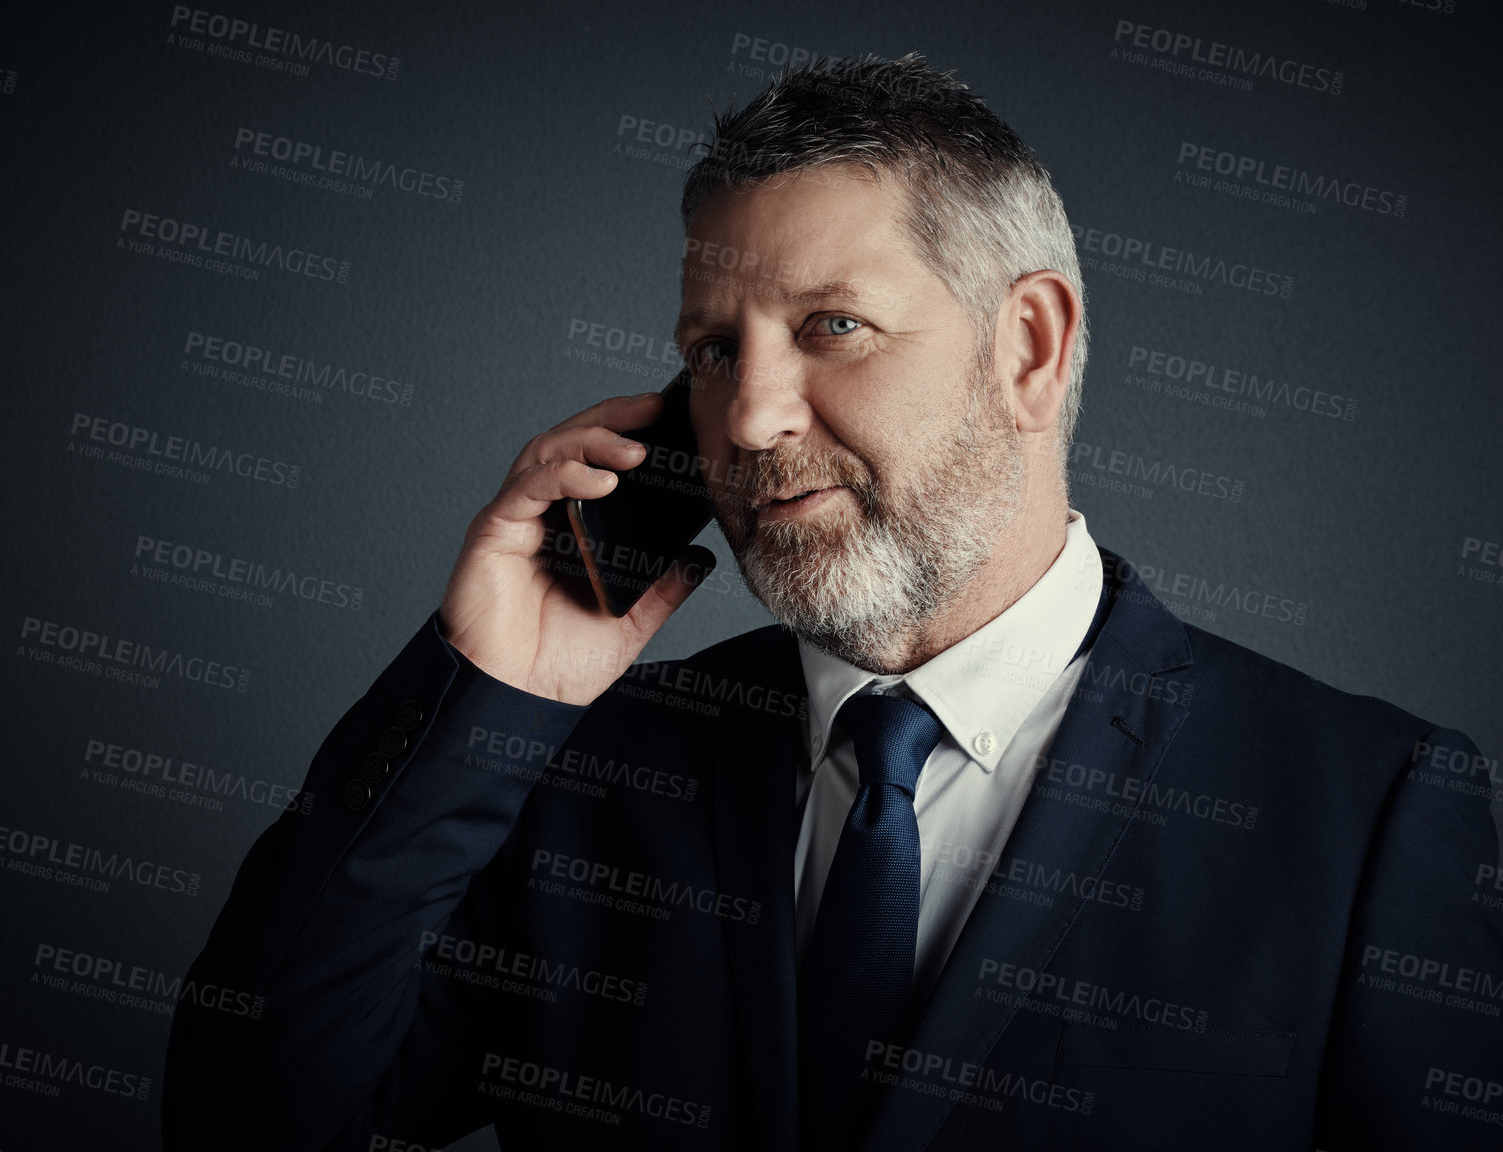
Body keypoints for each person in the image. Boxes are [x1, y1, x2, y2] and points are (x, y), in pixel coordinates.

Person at [163, 56, 1501, 1151]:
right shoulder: (573, 772)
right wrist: (488, 684)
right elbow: (248, 1115)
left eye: (831, 327)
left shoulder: (1362, 805)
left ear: (1026, 347)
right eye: (710, 351)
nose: (744, 417)